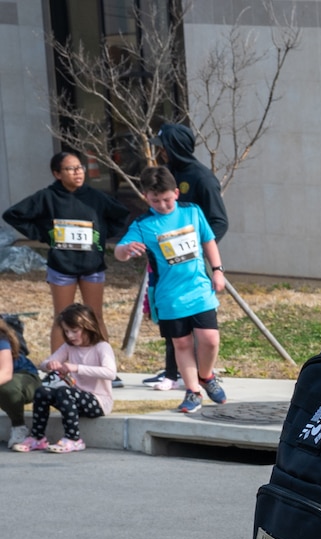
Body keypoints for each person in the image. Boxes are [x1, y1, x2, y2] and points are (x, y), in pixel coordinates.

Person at [114, 166, 227, 416]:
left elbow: (208, 240)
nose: (163, 205)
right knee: (182, 343)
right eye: (156, 200)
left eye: (167, 199)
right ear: (146, 198)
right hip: (168, 297)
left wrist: (217, 269)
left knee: (210, 339)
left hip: (199, 289)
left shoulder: (192, 212)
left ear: (176, 193)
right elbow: (119, 251)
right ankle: (192, 391)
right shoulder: (143, 225)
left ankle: (206, 376)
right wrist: (126, 250)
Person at [3, 149, 130, 352]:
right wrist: (44, 234)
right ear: (57, 174)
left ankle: (105, 367)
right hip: (62, 266)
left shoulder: (95, 197)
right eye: (70, 169)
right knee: (62, 317)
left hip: (92, 265)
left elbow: (121, 215)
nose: (78, 172)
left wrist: (102, 234)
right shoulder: (47, 197)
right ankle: (57, 369)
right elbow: (13, 215)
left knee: (95, 315)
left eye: (80, 167)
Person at [143, 124, 230, 394]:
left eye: (163, 146)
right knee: (173, 320)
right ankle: (173, 372)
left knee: (203, 330)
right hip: (165, 264)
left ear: (174, 147)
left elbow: (219, 221)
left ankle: (201, 375)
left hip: (194, 264)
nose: (159, 151)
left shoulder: (202, 178)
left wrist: (201, 252)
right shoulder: (168, 175)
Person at [16, 303, 115, 453]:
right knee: (42, 391)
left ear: (88, 326)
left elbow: (110, 373)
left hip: (99, 401)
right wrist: (51, 364)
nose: (70, 336)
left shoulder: (102, 347)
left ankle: (74, 439)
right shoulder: (70, 347)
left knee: (64, 391)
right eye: (66, 331)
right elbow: (43, 364)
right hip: (73, 400)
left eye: (74, 331)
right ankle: (37, 438)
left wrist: (76, 368)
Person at [0, 318, 36, 436]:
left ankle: (19, 427)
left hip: (25, 377)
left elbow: (5, 373)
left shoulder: (1, 338)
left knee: (6, 388)